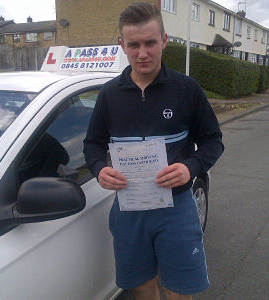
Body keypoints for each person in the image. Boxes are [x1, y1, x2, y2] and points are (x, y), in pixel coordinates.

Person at [83, 2, 224, 299]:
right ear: (122, 45)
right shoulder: (109, 95)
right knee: (143, 287)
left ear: (164, 40)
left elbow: (213, 140)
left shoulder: (187, 90)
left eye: (150, 43)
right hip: (129, 210)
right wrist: (99, 169)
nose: (142, 53)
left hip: (177, 208)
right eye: (133, 45)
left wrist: (191, 167)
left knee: (179, 290)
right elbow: (92, 144)